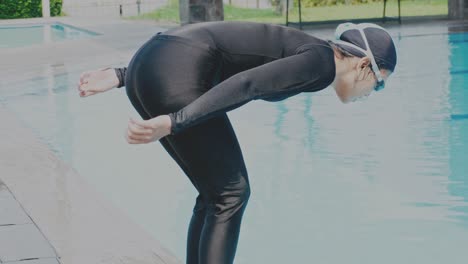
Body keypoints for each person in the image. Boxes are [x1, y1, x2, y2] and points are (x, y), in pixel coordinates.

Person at [77, 21, 397, 264]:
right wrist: (177, 120)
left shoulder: (311, 50)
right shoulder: (322, 64)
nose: (370, 94)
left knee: (216, 194)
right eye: (379, 84)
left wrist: (124, 75)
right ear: (363, 65)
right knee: (231, 194)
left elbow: (212, 44)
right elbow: (247, 84)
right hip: (175, 72)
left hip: (152, 62)